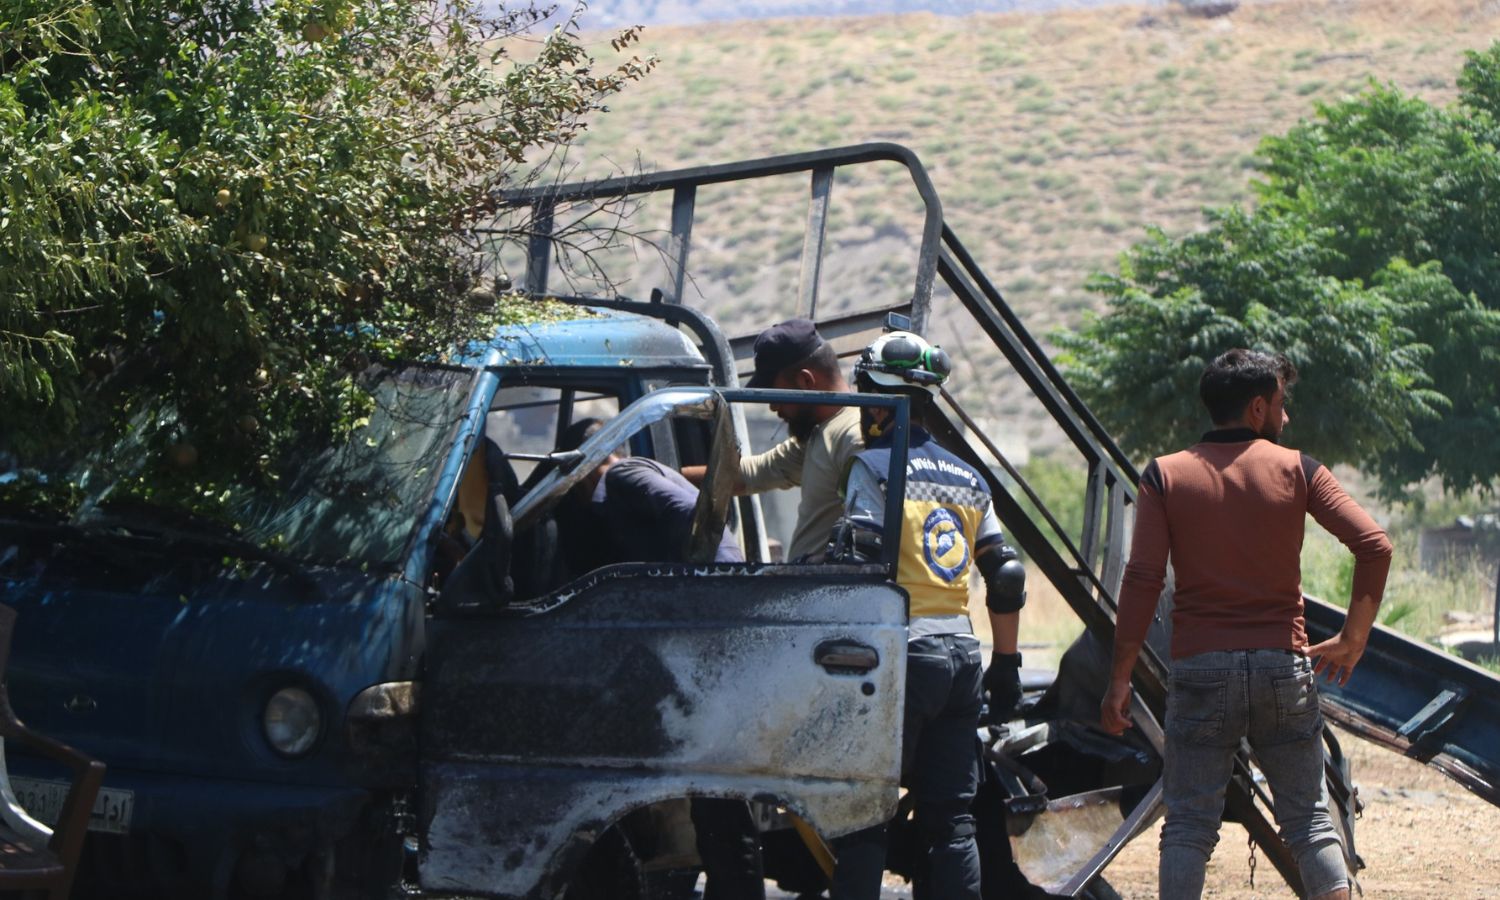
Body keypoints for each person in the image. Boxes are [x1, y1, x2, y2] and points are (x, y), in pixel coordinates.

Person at [1099, 348, 1393, 900]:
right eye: (1282, 404)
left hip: (1202, 670)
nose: (1287, 416)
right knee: (1309, 822)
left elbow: (1141, 579)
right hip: (1284, 667)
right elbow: (1374, 544)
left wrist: (1119, 679)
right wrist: (1353, 640)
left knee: (1188, 824)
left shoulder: (1166, 474)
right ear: (1258, 407)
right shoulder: (1299, 471)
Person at [829, 330, 1027, 900]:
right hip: (962, 657)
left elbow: (860, 561)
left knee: (865, 811)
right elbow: (1006, 574)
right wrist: (1006, 665)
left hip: (899, 656)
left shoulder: (871, 467)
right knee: (951, 820)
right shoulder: (969, 477)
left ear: (878, 397)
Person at [551, 418, 763, 900]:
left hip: (708, 640)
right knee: (715, 794)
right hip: (703, 644)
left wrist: (705, 602)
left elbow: (696, 515)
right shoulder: (635, 482)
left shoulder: (624, 477)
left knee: (716, 794)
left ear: (586, 465)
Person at [686, 318, 862, 562]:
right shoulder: (818, 434)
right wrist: (660, 474)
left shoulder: (854, 436)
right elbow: (749, 473)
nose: (772, 405)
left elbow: (873, 534)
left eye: (776, 391)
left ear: (806, 381)